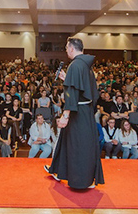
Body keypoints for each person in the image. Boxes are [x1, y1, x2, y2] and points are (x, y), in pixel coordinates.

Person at [46, 37, 104, 189]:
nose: (66, 50)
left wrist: (65, 116)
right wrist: (67, 78)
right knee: (73, 142)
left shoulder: (75, 65)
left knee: (78, 146)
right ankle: (58, 171)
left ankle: (80, 180)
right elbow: (84, 88)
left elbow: (71, 93)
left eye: (66, 48)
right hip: (85, 111)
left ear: (71, 48)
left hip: (77, 112)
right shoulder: (85, 65)